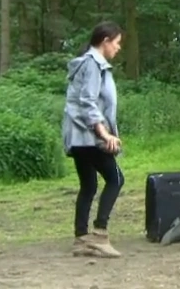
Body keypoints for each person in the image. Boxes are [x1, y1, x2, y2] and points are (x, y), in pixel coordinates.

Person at [62, 21, 125, 258]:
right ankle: (99, 234)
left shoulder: (90, 64)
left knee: (88, 186)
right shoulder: (92, 64)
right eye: (116, 43)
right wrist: (104, 133)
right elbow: (88, 102)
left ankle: (81, 239)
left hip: (78, 137)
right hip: (87, 136)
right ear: (105, 41)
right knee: (116, 179)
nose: (118, 48)